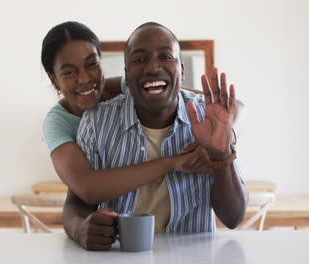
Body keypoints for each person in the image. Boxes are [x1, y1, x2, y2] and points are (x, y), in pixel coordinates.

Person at [63, 22, 248, 251]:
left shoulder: (207, 118)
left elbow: (233, 218)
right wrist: (79, 228)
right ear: (126, 76)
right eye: (139, 60)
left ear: (182, 69)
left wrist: (221, 152)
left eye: (166, 56)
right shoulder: (96, 123)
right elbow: (75, 203)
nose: (152, 68)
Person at [42, 22, 219, 207]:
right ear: (54, 79)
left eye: (92, 64)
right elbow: (86, 187)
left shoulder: (132, 86)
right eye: (69, 72)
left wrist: (220, 141)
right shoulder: (58, 123)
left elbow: (221, 107)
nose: (85, 78)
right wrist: (171, 163)